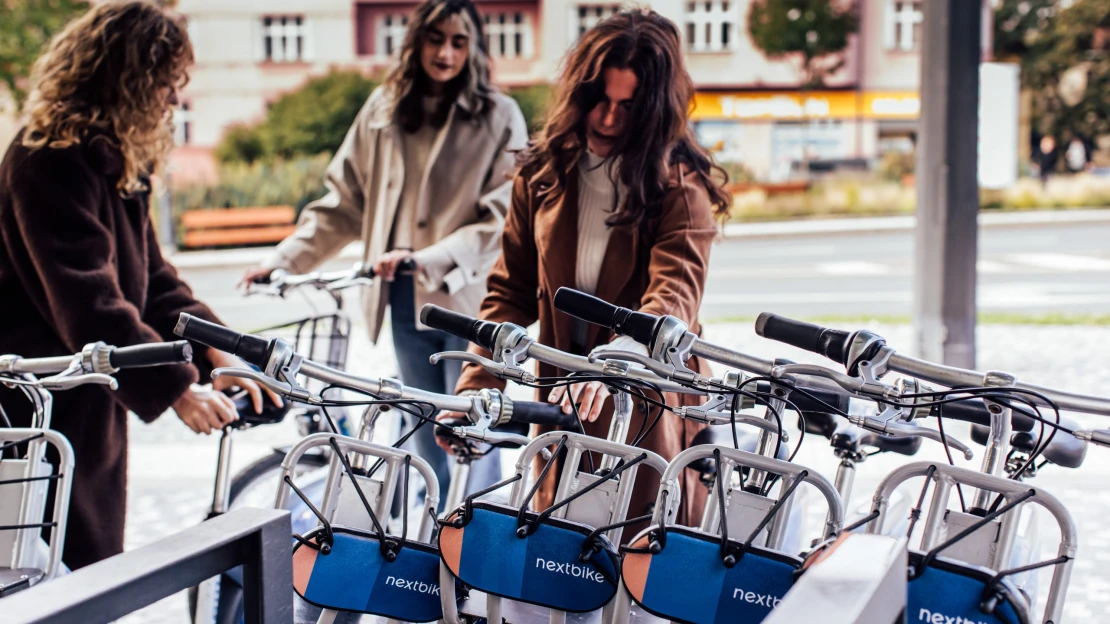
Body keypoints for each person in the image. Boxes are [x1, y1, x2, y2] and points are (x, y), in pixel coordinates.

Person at [0, 1, 280, 570]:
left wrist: (222, 349)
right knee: (36, 573)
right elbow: (90, 299)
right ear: (125, 78)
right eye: (165, 84)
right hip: (32, 406)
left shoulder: (116, 158)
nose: (173, 100)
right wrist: (177, 389)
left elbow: (154, 281)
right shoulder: (46, 158)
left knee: (83, 570)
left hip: (87, 394)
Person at [442, 10, 729, 531]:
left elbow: (673, 297)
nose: (608, 119)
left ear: (654, 111)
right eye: (599, 99)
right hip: (560, 396)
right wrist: (477, 385)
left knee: (636, 561)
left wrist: (623, 355)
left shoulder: (680, 188)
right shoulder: (543, 173)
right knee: (553, 558)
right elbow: (508, 292)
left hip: (645, 400)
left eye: (628, 106)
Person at [241, 0, 527, 509]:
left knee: (470, 432)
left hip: (467, 302)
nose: (445, 52)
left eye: (459, 42)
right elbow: (344, 202)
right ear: (415, 41)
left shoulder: (499, 115)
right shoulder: (382, 108)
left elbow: (500, 217)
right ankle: (431, 545)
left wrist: (429, 257)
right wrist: (285, 260)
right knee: (422, 428)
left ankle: (477, 551)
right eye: (435, 38)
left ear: (475, 48)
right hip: (401, 301)